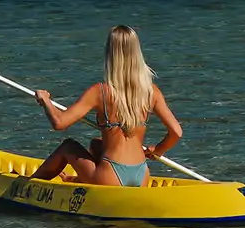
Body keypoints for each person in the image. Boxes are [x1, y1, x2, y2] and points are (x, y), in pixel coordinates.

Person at [31, 24, 182, 187]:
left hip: (111, 176)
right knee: (96, 144)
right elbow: (176, 132)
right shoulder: (152, 91)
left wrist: (46, 101)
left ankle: (26, 186)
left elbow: (59, 123)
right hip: (141, 174)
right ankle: (76, 180)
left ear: (110, 54)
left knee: (68, 146)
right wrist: (159, 149)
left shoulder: (100, 91)